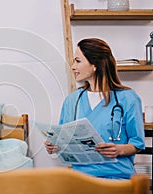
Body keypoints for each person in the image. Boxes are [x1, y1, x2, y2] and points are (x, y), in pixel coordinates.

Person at [44, 38, 145, 179]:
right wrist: (55, 146)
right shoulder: (72, 100)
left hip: (117, 176)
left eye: (78, 61)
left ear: (95, 64)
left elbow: (137, 143)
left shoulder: (128, 98)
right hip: (80, 179)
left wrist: (118, 149)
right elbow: (63, 139)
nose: (73, 67)